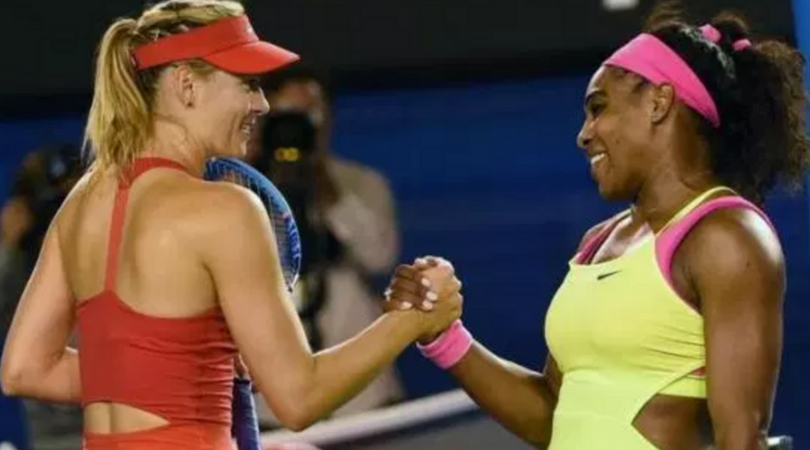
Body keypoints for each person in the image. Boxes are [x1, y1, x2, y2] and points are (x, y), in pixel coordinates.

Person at [0, 2, 461, 450]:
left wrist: (176, 373)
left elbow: (25, 369)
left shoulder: (83, 201)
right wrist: (414, 317)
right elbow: (299, 397)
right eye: (247, 83)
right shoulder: (227, 209)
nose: (261, 103)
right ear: (186, 85)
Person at [388, 6, 809, 450]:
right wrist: (444, 336)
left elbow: (740, 440)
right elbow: (553, 417)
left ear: (658, 102)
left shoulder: (728, 236)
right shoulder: (597, 242)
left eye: (598, 108)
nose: (584, 134)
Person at [251, 65, 404, 418]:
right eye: (284, 116)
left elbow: (380, 257)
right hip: (272, 399)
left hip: (362, 392)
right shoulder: (238, 187)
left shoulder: (360, 183)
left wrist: (323, 185)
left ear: (328, 120)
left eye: (309, 114)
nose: (295, 127)